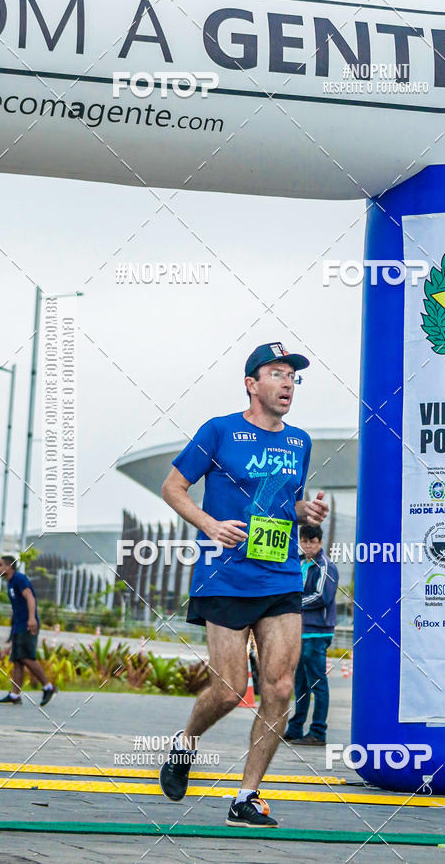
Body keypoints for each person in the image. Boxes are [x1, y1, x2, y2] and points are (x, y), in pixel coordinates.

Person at [159, 341, 329, 827]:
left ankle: (246, 797)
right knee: (231, 689)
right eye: (277, 374)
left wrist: (305, 512)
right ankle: (185, 742)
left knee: (279, 686)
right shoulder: (219, 431)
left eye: (293, 377)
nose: (288, 384)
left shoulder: (299, 440)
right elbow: (173, 488)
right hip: (224, 573)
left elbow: (282, 503)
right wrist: (210, 525)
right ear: (252, 384)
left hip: (278, 573)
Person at [284, 524, 338, 746]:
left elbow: (321, 596)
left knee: (318, 683)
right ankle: (295, 728)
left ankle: (318, 732)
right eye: (305, 541)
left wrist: (292, 604)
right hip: (298, 630)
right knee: (301, 684)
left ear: (320, 542)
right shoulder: (297, 563)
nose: (308, 545)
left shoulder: (326, 566)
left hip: (317, 632)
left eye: (312, 541)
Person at [0, 555, 57, 707]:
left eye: (1, 565)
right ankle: (15, 695)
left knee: (27, 657)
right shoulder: (9, 583)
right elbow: (18, 604)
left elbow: (30, 597)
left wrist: (31, 619)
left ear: (10, 567)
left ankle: (48, 687)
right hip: (18, 625)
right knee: (17, 660)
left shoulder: (19, 579)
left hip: (27, 625)